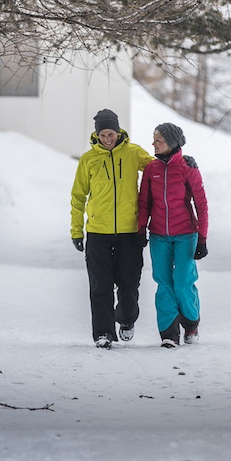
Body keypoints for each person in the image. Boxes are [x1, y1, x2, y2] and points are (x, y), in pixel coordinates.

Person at [70, 109, 154, 349]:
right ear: (97, 135)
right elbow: (78, 196)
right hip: (98, 232)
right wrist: (77, 231)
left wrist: (182, 163)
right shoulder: (89, 159)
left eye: (112, 134)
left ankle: (126, 320)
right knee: (100, 286)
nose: (108, 139)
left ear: (118, 132)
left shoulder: (133, 153)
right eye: (103, 135)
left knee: (129, 284)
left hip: (129, 232)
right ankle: (103, 333)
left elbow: (158, 171)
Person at [137, 122, 209, 348]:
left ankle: (190, 323)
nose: (153, 144)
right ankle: (168, 333)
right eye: (154, 139)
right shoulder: (151, 169)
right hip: (159, 235)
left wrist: (203, 238)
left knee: (183, 282)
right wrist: (141, 230)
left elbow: (201, 204)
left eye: (158, 140)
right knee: (163, 282)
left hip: (186, 235)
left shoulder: (188, 168)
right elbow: (144, 202)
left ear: (171, 142)